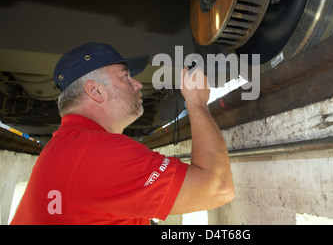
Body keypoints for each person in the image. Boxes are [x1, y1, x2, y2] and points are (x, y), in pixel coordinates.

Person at [11, 42, 234, 225]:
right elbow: (218, 188)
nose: (137, 84)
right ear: (95, 90)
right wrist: (197, 102)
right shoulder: (97, 152)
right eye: (125, 76)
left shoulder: (65, 147)